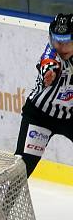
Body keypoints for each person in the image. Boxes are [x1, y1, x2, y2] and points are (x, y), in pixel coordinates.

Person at [14, 13, 73, 178]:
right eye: (57, 40)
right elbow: (49, 64)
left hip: (70, 116)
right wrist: (49, 74)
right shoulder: (52, 54)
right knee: (22, 168)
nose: (61, 47)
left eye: (66, 41)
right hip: (40, 116)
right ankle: (1, 203)